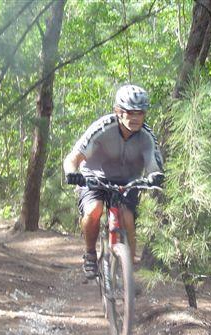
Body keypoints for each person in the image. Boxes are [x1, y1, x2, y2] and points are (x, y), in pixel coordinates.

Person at [63, 84, 164, 279]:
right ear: (118, 111)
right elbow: (73, 157)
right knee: (94, 210)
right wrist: (71, 172)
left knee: (127, 219)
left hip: (128, 182)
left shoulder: (147, 136)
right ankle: (90, 254)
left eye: (140, 112)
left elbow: (154, 163)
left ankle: (128, 276)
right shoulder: (102, 128)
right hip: (94, 178)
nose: (135, 118)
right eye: (129, 112)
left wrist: (155, 176)